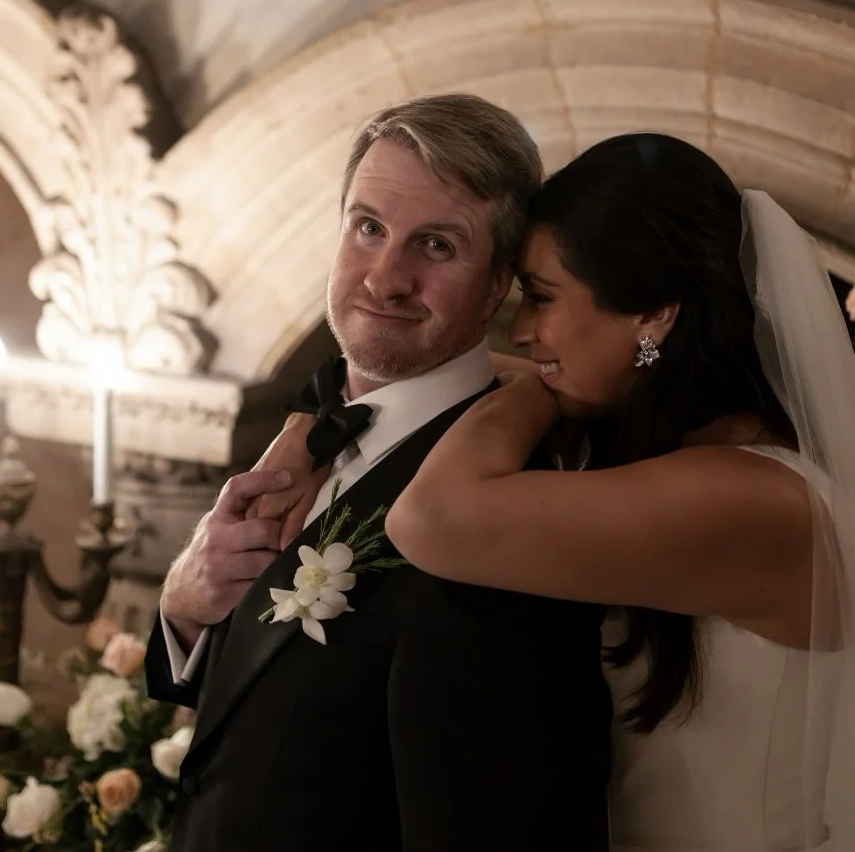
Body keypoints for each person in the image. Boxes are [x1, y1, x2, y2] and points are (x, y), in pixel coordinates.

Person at [143, 94, 612, 851]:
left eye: (435, 246)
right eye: (368, 229)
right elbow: (264, 721)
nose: (384, 278)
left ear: (499, 285)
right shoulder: (304, 434)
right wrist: (188, 608)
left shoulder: (506, 511)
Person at [372, 133, 853, 851]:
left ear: (654, 314)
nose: (526, 330)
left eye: (541, 296)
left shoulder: (756, 499)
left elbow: (433, 519)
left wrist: (539, 385)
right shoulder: (696, 455)